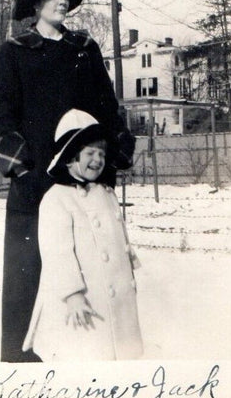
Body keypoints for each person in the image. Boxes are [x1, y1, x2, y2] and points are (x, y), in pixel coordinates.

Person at [0, 0, 135, 362]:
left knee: (95, 269)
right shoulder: (14, 52)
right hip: (34, 184)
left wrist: (110, 158)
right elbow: (0, 115)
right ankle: (21, 366)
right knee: (27, 273)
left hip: (84, 180)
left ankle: (96, 359)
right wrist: (23, 170)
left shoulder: (84, 50)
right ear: (35, 2)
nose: (63, 1)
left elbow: (107, 107)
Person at [23, 109, 143, 361]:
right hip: (80, 304)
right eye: (89, 153)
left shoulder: (106, 193)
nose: (97, 160)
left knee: (119, 355)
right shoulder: (57, 198)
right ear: (70, 156)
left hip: (114, 299)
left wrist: (128, 263)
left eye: (101, 154)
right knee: (84, 358)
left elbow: (118, 237)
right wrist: (72, 295)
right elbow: (58, 254)